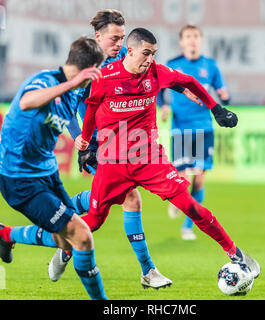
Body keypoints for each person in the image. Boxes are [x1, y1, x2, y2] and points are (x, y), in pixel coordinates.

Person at [76, 27, 260, 281]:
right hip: (113, 162)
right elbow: (91, 109)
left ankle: (234, 252)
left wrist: (216, 108)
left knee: (190, 206)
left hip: (150, 159)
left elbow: (189, 82)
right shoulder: (105, 77)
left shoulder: (156, 73)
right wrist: (86, 144)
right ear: (129, 51)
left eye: (154, 53)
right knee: (93, 222)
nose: (150, 59)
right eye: (146, 53)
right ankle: (20, 236)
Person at [50, 9, 201, 289]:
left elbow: (157, 77)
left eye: (122, 38)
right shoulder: (84, 65)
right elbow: (68, 107)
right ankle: (147, 270)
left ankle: (67, 226)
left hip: (123, 145)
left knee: (113, 199)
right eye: (114, 38)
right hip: (96, 145)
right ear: (98, 37)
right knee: (131, 199)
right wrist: (82, 143)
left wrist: (186, 90)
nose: (119, 44)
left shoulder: (127, 60)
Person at [0, 37, 108, 300]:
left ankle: (5, 234)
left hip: (46, 172)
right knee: (82, 236)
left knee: (67, 242)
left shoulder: (74, 92)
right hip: (19, 178)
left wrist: (83, 141)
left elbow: (68, 116)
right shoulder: (46, 81)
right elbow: (27, 101)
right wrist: (70, 83)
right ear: (88, 70)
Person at [158, 24, 230, 240]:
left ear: (201, 40)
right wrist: (163, 105)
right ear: (181, 41)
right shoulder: (173, 65)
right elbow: (160, 92)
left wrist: (225, 97)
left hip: (204, 127)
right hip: (180, 128)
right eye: (188, 36)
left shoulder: (211, 65)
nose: (192, 40)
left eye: (196, 36)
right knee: (183, 177)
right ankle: (180, 203)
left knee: (199, 179)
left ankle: (187, 226)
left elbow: (223, 93)